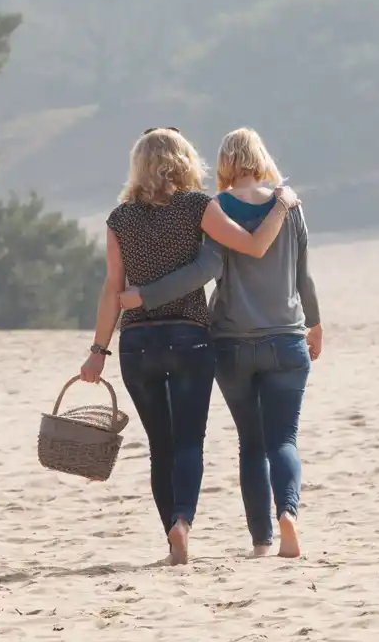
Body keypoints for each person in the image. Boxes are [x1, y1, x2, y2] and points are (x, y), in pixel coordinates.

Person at [80, 127, 297, 565]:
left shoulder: (119, 218)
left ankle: (172, 540)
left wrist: (98, 350)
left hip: (137, 341)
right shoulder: (198, 206)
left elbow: (111, 287)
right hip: (189, 339)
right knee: (187, 444)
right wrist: (281, 205)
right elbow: (253, 246)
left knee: (160, 446)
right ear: (184, 161)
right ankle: (183, 519)